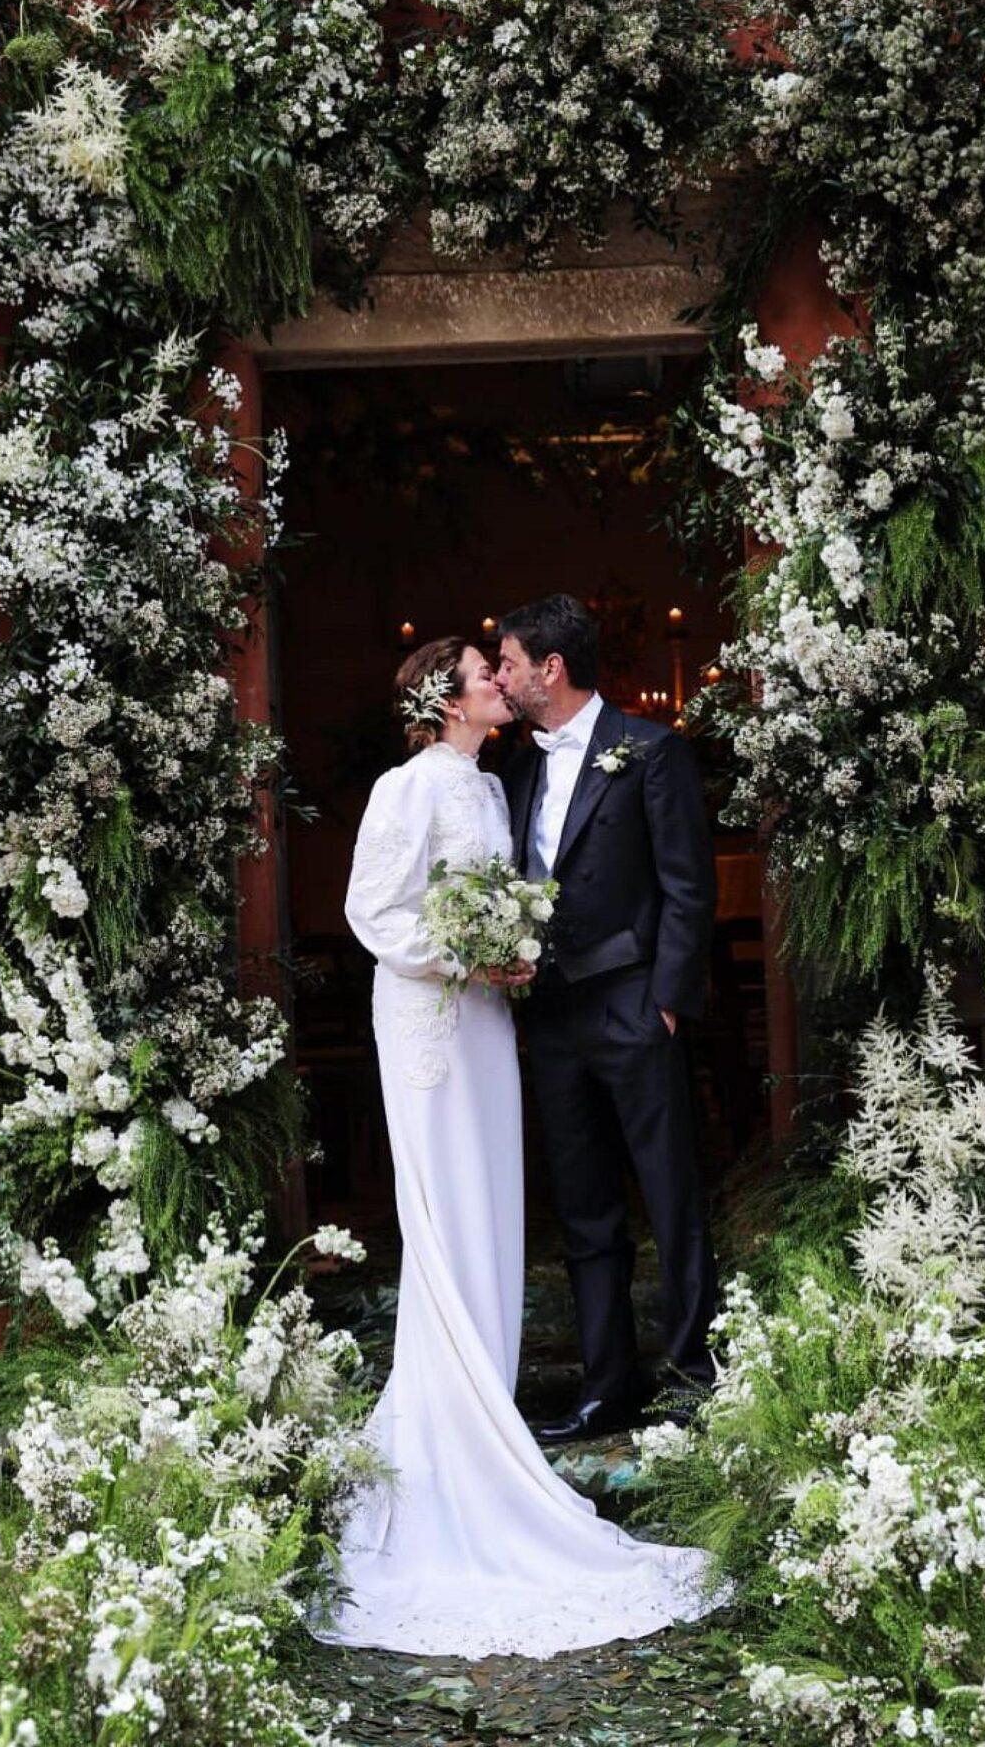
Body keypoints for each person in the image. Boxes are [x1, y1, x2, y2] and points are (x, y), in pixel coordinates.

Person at [309, 634, 725, 1660]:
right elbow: (373, 909)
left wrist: (507, 959)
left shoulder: (494, 788)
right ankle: (456, 1417)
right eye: (484, 673)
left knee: (496, 1202)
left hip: (495, 1021)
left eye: (503, 665)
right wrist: (466, 955)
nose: (502, 680)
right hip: (433, 1022)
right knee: (449, 1206)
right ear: (446, 701)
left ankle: (488, 1388)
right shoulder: (408, 787)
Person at [497, 594, 719, 1444]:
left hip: (632, 1005)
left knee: (670, 1196)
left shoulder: (651, 751)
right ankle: (604, 1387)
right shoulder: (516, 771)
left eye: (510, 663)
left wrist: (667, 1003)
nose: (504, 677)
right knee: (584, 1207)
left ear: (550, 669)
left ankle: (696, 1376)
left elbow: (685, 886)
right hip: (550, 1019)